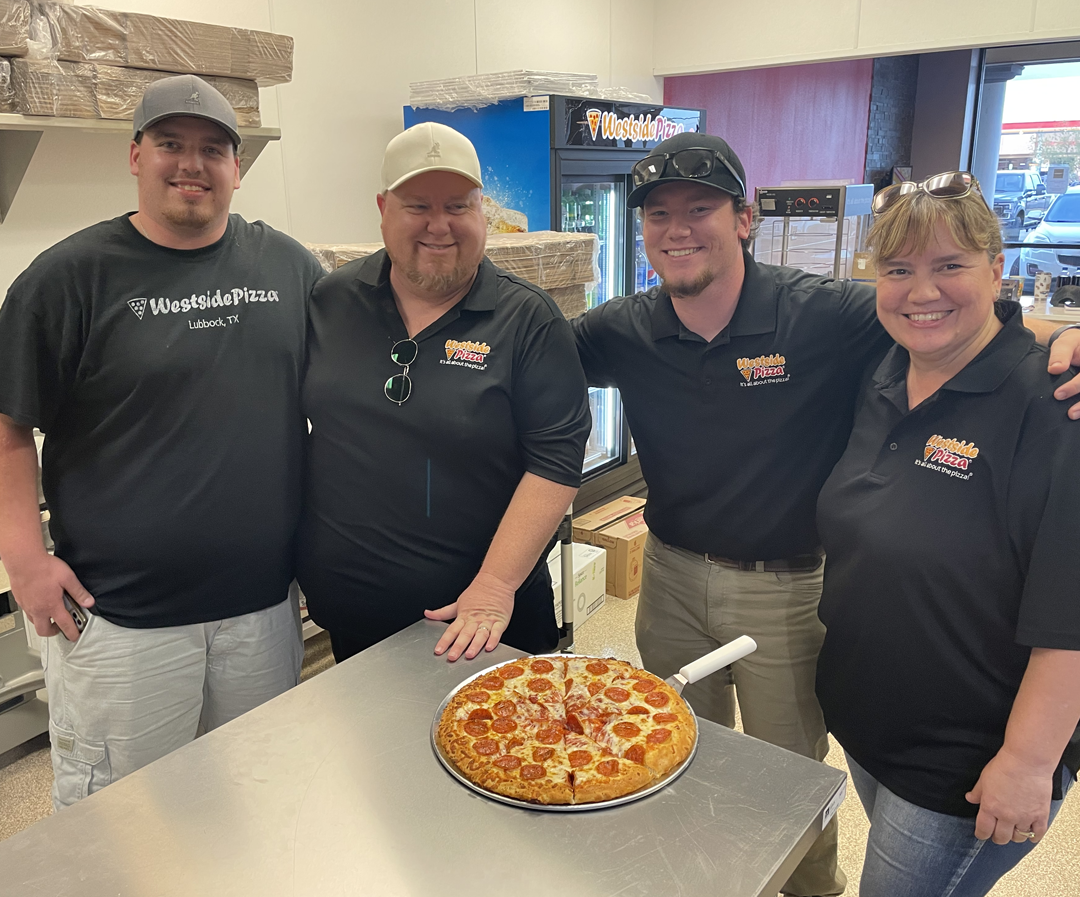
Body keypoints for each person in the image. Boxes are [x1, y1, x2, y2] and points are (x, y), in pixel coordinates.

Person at [570, 135, 1080, 897]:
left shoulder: (822, 313)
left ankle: (811, 886)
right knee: (672, 747)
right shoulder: (621, 328)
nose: (679, 229)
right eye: (660, 215)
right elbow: (533, 363)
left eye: (700, 209)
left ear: (743, 218)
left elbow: (956, 322)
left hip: (785, 585)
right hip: (668, 575)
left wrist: (1063, 338)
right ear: (641, 230)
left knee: (787, 772)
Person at [0, 75, 325, 809]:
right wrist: (25, 561)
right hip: (121, 621)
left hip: (262, 612)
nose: (192, 164)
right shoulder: (66, 279)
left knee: (256, 800)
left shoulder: (288, 269)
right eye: (171, 144)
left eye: (213, 149)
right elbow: (8, 423)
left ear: (237, 168)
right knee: (126, 825)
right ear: (135, 155)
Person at [814, 172, 1080, 897]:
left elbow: (1071, 612)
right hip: (871, 725)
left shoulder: (1054, 407)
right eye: (898, 270)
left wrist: (1027, 762)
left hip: (964, 763)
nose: (920, 291)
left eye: (949, 265)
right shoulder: (881, 376)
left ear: (998, 269)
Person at [297, 122, 590, 664]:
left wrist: (497, 586)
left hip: (482, 619)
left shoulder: (527, 319)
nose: (440, 226)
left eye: (458, 206)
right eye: (417, 206)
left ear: (483, 211)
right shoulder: (331, 301)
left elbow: (555, 461)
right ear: (383, 208)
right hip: (353, 610)